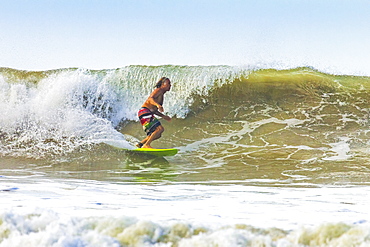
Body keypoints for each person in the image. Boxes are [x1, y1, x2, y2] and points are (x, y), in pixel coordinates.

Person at [136, 77, 172, 149]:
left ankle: (140, 144)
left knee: (157, 134)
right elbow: (150, 98)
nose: (170, 85)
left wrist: (163, 116)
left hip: (144, 113)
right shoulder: (159, 90)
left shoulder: (161, 94)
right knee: (160, 129)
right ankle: (147, 145)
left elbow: (154, 110)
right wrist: (158, 105)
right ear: (162, 84)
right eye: (168, 83)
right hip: (144, 111)